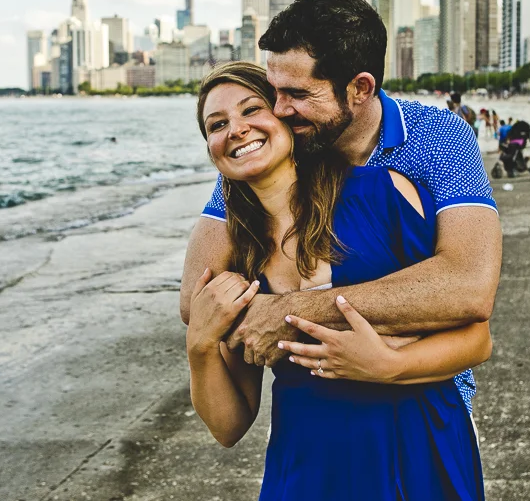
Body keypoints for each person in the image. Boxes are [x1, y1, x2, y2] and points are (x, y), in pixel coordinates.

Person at [188, 62, 490, 499]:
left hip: (416, 447)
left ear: (286, 117)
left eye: (251, 110)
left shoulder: (382, 193)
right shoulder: (240, 258)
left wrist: (389, 365)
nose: (236, 129)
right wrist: (199, 347)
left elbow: (477, 339)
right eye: (217, 125)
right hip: (307, 465)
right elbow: (229, 426)